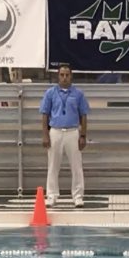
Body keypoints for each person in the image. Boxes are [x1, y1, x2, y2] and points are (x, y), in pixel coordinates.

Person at [40, 63, 90, 208]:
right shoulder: (50, 93)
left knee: (76, 166)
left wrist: (83, 135)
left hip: (72, 132)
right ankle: (52, 195)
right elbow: (45, 115)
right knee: (53, 165)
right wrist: (45, 135)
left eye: (67, 75)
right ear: (58, 76)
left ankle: (78, 196)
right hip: (55, 131)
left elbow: (84, 115)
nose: (64, 78)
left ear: (71, 76)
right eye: (62, 75)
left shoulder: (78, 94)